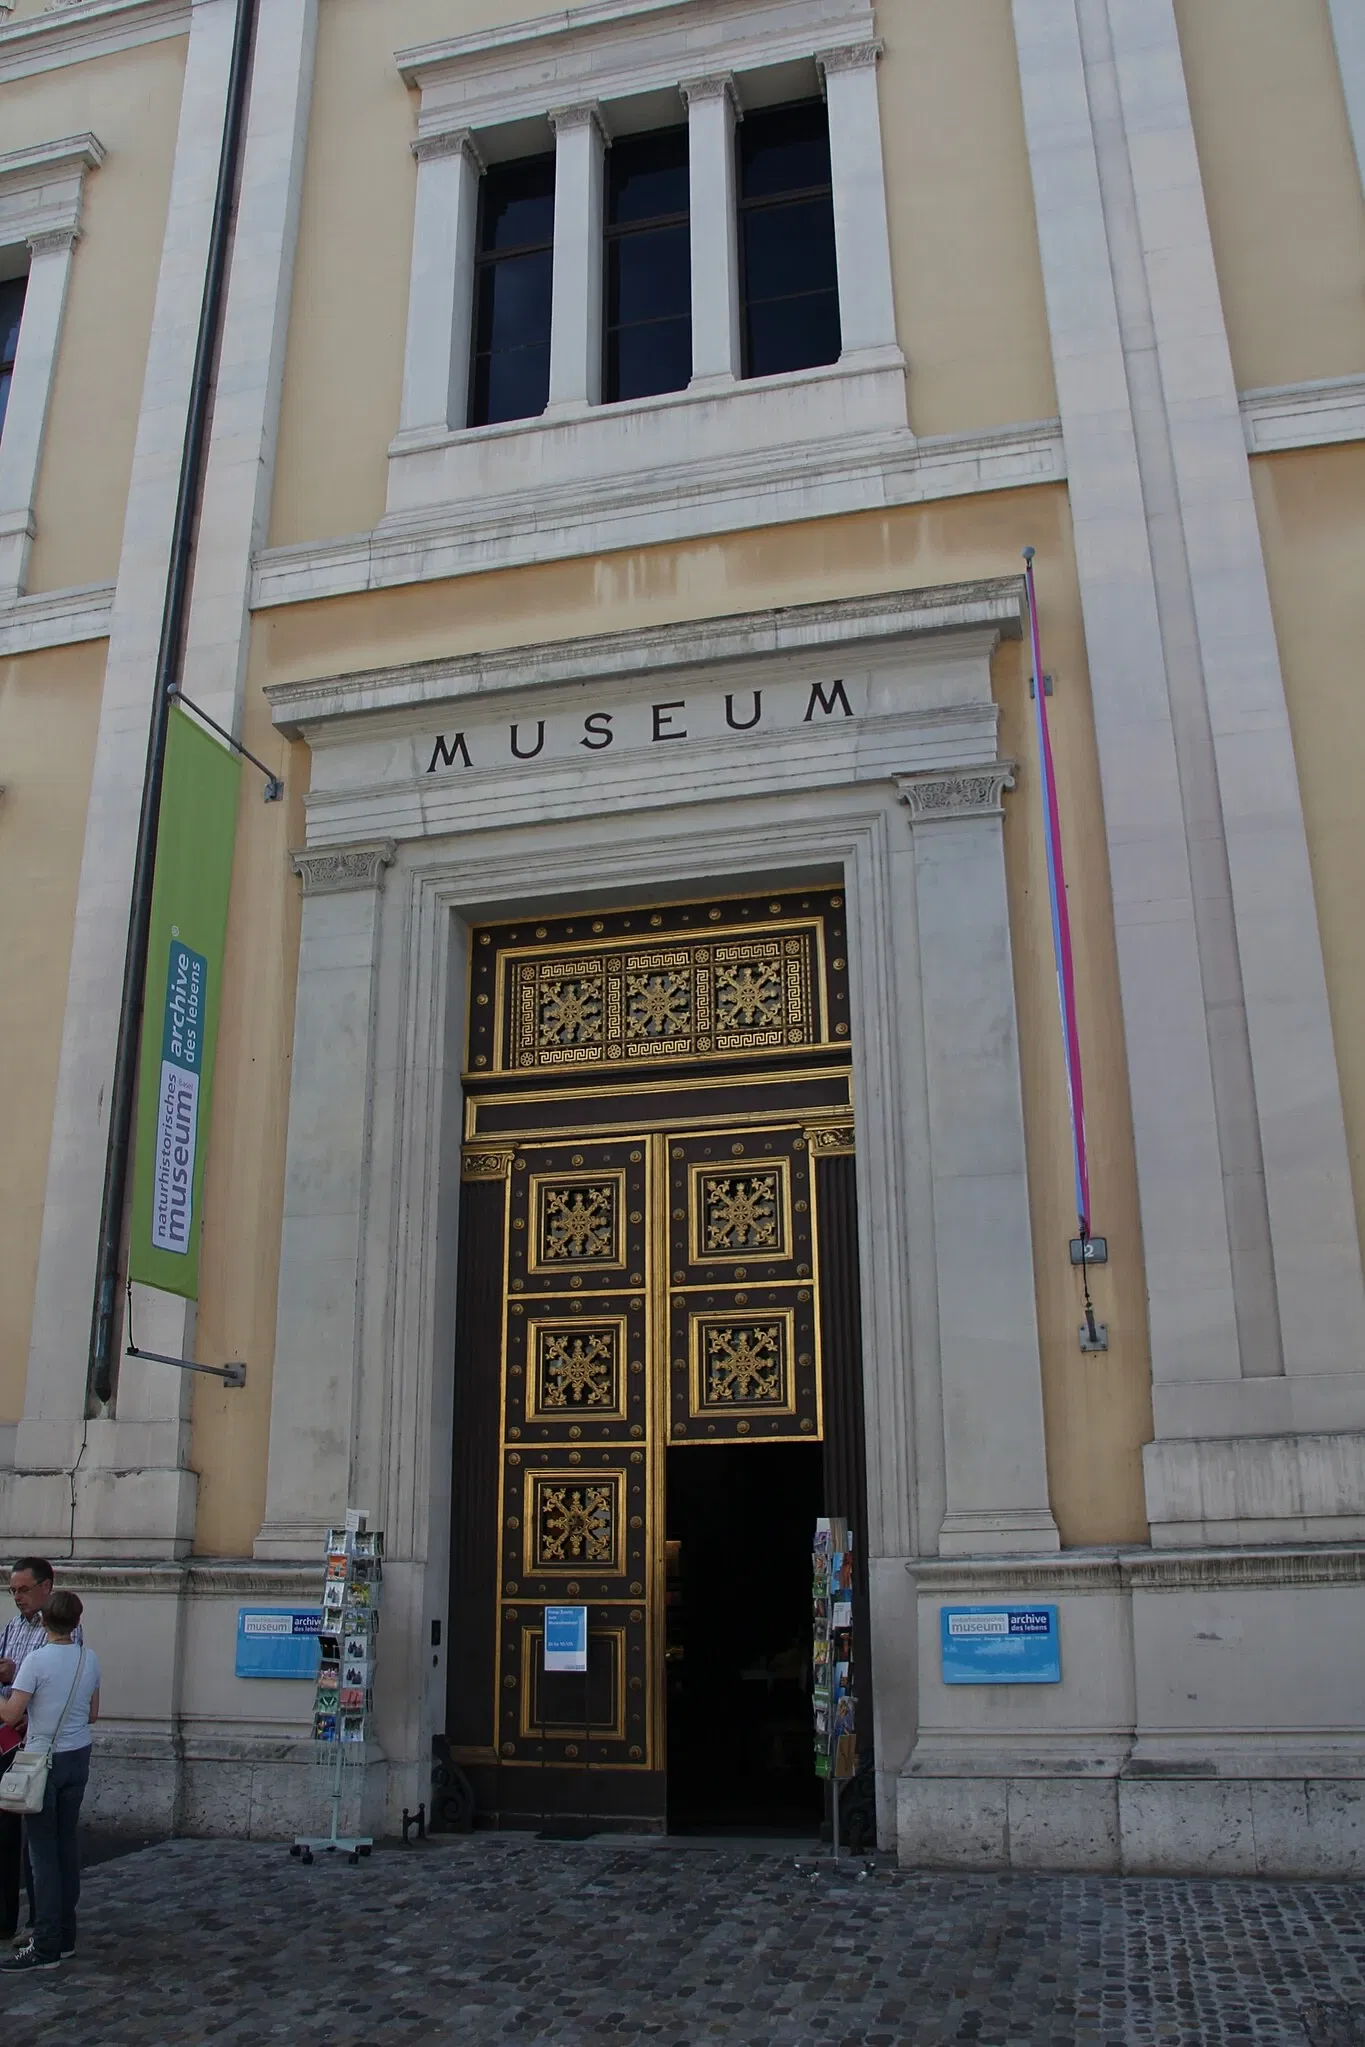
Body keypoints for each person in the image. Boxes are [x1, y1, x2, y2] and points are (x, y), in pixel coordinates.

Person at [0, 1592, 99, 1973]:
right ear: (76, 1623)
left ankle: (46, 1945)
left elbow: (11, 1715)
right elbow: (93, 1713)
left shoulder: (36, 1660)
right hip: (78, 1756)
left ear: (44, 1623)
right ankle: (66, 1935)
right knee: (66, 1849)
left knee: (42, 1857)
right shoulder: (89, 1659)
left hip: (44, 1759)